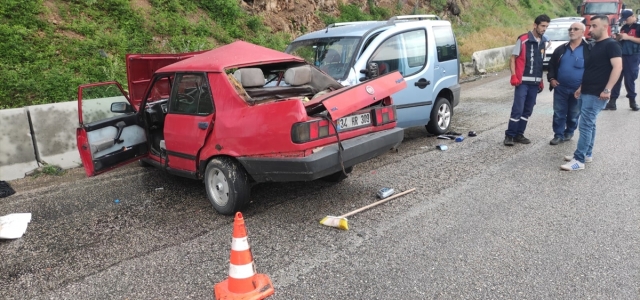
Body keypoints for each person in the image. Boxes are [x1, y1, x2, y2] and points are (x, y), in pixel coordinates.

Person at [561, 15, 622, 171]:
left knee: (585, 126)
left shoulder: (611, 45)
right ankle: (587, 154)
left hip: (597, 93)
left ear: (605, 27)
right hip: (587, 90)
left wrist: (607, 89)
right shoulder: (594, 45)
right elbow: (591, 70)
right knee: (590, 124)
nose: (590, 29)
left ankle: (579, 160)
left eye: (594, 26)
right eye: (590, 26)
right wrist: (581, 87)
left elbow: (618, 67)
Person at [504, 14, 550, 146]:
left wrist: (540, 80)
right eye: (542, 26)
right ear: (535, 25)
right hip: (522, 82)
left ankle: (519, 134)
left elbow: (540, 62)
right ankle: (509, 135)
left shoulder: (543, 41)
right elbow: (513, 58)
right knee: (518, 109)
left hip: (534, 83)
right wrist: (514, 75)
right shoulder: (523, 39)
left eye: (546, 26)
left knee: (528, 109)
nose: (544, 29)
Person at [547, 22, 591, 145]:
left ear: (582, 32)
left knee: (573, 114)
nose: (571, 31)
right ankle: (558, 135)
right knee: (558, 113)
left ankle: (569, 131)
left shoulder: (589, 49)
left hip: (578, 89)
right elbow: (551, 66)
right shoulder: (561, 49)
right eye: (570, 29)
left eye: (575, 29)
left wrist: (583, 87)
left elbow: (593, 70)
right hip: (560, 88)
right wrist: (551, 79)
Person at [605, 10, 640, 111]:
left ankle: (632, 101)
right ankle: (612, 102)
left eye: (627, 19)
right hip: (621, 55)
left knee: (629, 79)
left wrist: (628, 37)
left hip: (633, 56)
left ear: (633, 16)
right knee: (616, 77)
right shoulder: (624, 27)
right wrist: (618, 37)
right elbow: (622, 38)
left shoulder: (638, 27)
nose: (625, 21)